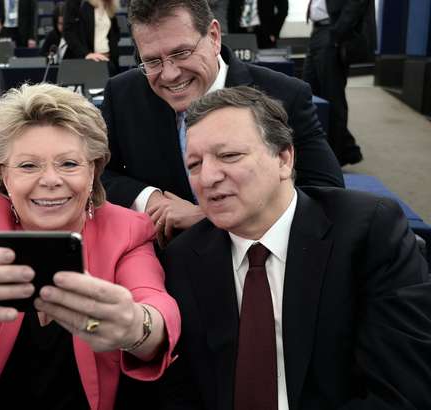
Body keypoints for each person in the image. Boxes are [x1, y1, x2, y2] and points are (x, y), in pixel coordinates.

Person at [0, 83, 181, 409]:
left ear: (94, 171)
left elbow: (158, 308)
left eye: (69, 164)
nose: (50, 180)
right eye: (29, 165)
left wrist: (135, 326)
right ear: (2, 174)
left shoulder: (127, 230)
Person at [154, 85, 431, 409]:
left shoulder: (370, 232)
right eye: (194, 165)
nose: (208, 177)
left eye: (229, 155)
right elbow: (179, 391)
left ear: (284, 158)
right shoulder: (183, 257)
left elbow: (402, 390)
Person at [101, 0, 343, 246]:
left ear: (214, 37)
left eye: (182, 53)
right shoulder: (123, 94)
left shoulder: (284, 95)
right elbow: (96, 173)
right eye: (152, 61)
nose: (170, 74)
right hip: (162, 264)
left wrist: (209, 214)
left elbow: (326, 194)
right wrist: (151, 200)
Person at [303, 0, 376, 166]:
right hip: (318, 31)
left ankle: (335, 159)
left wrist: (338, 32)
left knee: (332, 97)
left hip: (332, 32)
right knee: (309, 94)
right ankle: (348, 149)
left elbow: (356, 4)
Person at [63, 0, 120, 73]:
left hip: (108, 60)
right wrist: (86, 54)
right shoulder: (79, 3)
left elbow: (115, 33)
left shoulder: (109, 4)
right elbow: (68, 32)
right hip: (88, 62)